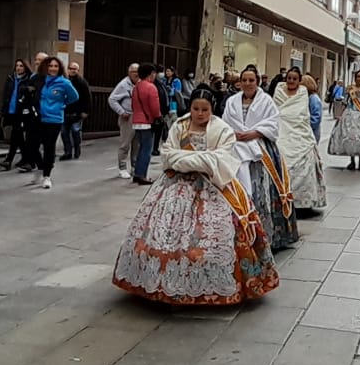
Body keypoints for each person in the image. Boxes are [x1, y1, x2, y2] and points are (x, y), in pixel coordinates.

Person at [113, 90, 280, 305]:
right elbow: (168, 155)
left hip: (213, 186)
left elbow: (221, 159)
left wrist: (186, 159)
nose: (199, 114)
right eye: (195, 109)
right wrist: (200, 159)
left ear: (212, 110)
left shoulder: (222, 130)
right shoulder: (179, 126)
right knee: (163, 233)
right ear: (189, 108)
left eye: (205, 110)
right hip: (175, 186)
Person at [223, 66, 299, 251]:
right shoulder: (231, 101)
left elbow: (273, 124)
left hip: (260, 149)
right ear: (239, 82)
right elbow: (224, 122)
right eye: (245, 80)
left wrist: (255, 132)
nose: (248, 84)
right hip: (235, 147)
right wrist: (235, 133)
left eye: (251, 80)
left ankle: (266, 235)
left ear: (257, 82)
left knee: (262, 191)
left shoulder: (267, 101)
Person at [274, 67, 327, 215]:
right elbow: (277, 112)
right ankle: (281, 199)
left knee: (306, 164)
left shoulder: (303, 93)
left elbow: (302, 114)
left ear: (299, 81)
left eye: (294, 79)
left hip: (300, 134)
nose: (291, 81)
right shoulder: (279, 91)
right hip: (282, 132)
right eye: (289, 78)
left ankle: (304, 201)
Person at [29, 57, 80, 190]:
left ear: (60, 68)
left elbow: (74, 97)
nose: (53, 68)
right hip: (38, 117)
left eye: (56, 66)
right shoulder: (39, 80)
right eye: (50, 66)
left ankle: (47, 176)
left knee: (48, 147)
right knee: (32, 146)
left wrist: (61, 105)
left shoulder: (64, 83)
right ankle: (40, 167)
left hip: (54, 119)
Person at [328, 70, 360, 171]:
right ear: (355, 78)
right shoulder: (350, 88)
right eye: (358, 76)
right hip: (350, 115)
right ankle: (352, 161)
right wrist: (340, 115)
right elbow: (345, 102)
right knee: (351, 138)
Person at [0, 59, 35, 171]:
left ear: (25, 68)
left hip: (22, 112)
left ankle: (9, 160)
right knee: (17, 137)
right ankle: (25, 159)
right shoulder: (10, 78)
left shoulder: (29, 79)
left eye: (21, 66)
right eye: (17, 66)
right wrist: (2, 111)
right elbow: (5, 95)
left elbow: (31, 95)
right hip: (11, 110)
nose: (18, 68)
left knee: (16, 135)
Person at [130, 63, 162, 185]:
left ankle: (137, 173)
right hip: (147, 121)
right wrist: (158, 117)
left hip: (137, 120)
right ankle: (142, 175)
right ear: (151, 74)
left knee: (140, 148)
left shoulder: (136, 87)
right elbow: (155, 107)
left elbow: (133, 105)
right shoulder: (151, 87)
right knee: (146, 149)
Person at [108, 63, 140, 179]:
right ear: (129, 73)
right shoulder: (123, 85)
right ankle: (122, 167)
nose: (136, 74)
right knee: (125, 144)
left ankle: (134, 167)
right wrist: (121, 112)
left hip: (139, 116)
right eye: (133, 71)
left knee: (137, 144)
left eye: (137, 71)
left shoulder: (141, 83)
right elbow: (112, 99)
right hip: (128, 116)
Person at [60, 62, 91, 161]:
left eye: (75, 69)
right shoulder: (65, 81)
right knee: (64, 133)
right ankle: (67, 152)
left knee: (75, 131)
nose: (73, 70)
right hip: (65, 111)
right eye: (71, 68)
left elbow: (87, 98)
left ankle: (77, 149)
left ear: (78, 70)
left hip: (77, 112)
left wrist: (85, 111)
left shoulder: (82, 82)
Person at [302, 74, 325, 141]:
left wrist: (306, 126)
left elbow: (316, 117)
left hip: (311, 132)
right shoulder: (306, 97)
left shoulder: (313, 98)